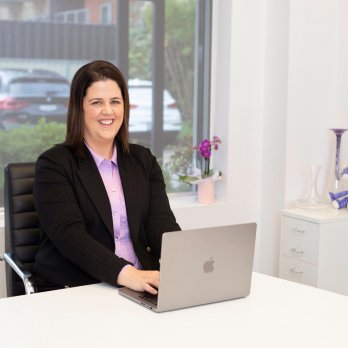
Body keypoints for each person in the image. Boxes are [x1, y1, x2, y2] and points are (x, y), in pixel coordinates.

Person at [33, 60, 181, 295]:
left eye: (115, 102)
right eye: (96, 102)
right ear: (78, 107)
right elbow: (71, 237)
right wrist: (128, 274)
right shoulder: (54, 165)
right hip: (79, 288)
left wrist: (188, 267)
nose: (108, 111)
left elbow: (161, 225)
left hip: (140, 286)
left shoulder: (143, 160)